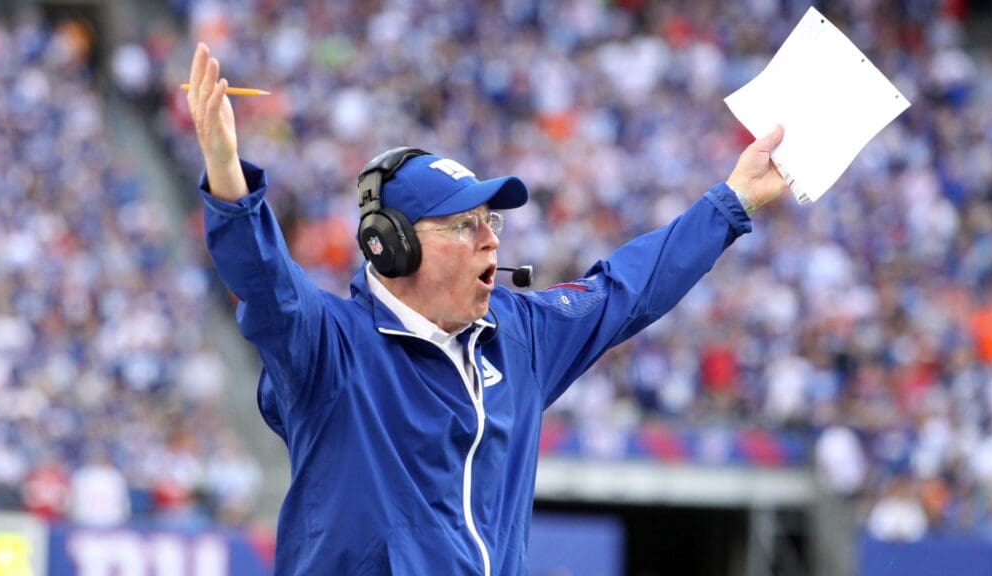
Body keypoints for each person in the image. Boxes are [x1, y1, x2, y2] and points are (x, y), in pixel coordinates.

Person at [187, 41, 788, 575]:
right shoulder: (332, 348)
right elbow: (268, 287)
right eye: (464, 224)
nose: (491, 239)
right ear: (391, 246)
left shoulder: (518, 335)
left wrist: (732, 200)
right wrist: (226, 173)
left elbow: (629, 289)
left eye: (490, 220)